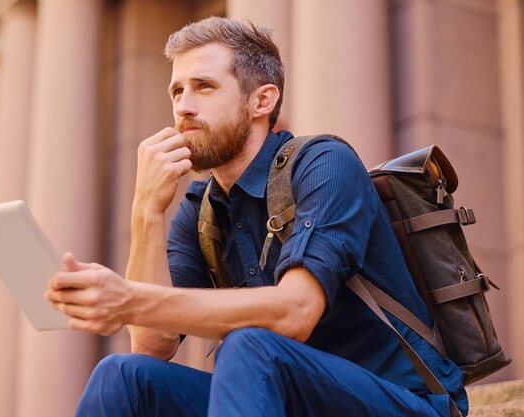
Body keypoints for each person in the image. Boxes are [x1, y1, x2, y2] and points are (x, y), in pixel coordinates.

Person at [45, 16, 467, 417]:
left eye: (204, 87)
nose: (184, 107)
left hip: (404, 402)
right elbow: (152, 345)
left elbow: (295, 313)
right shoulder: (200, 207)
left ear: (261, 100)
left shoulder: (323, 163)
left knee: (249, 345)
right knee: (123, 375)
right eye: (177, 91)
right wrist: (146, 212)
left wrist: (128, 298)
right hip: (286, 401)